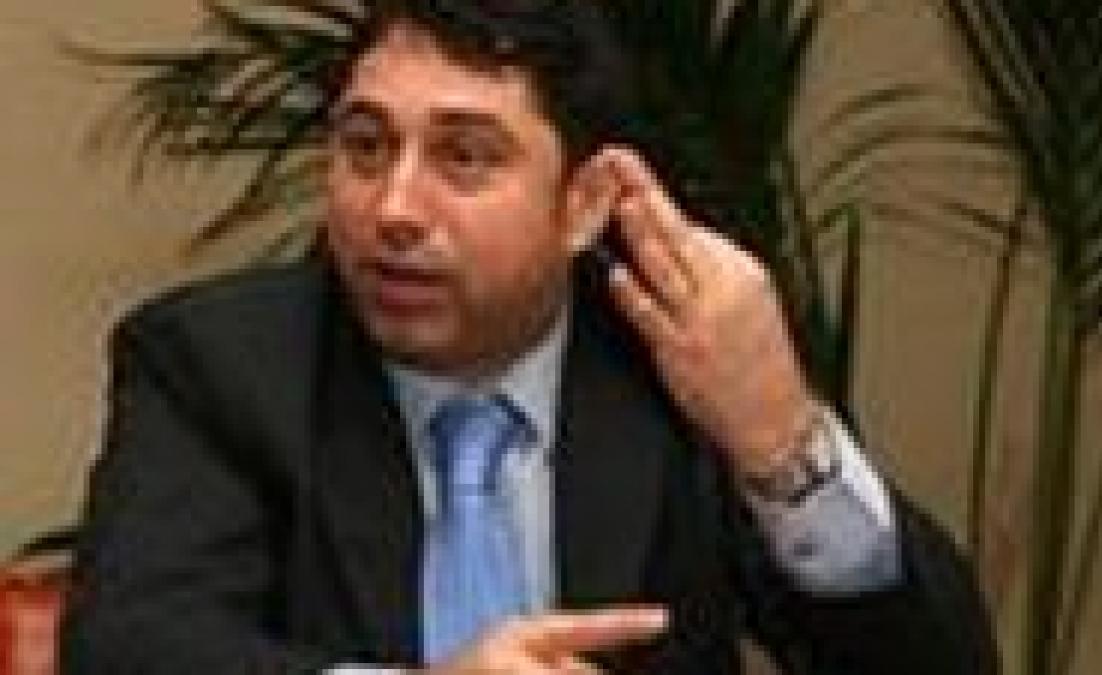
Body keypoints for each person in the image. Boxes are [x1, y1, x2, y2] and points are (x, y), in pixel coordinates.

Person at [60, 1, 997, 673]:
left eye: (464, 157)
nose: (394, 208)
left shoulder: (675, 356)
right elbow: (132, 650)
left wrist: (781, 442)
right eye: (366, 146)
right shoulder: (218, 363)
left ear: (585, 203)